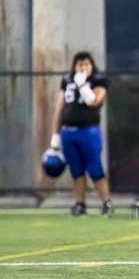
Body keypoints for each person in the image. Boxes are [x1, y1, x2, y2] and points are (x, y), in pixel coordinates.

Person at [47, 51, 113, 217]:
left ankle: (107, 203)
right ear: (74, 67)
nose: (82, 68)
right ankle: (80, 204)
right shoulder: (68, 79)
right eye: (79, 64)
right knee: (76, 170)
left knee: (94, 168)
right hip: (68, 132)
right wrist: (55, 135)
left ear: (92, 66)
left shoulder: (98, 79)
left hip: (89, 131)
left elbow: (95, 102)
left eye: (85, 64)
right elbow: (59, 108)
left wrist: (83, 86)